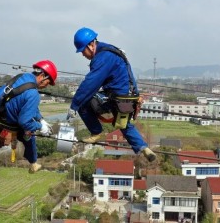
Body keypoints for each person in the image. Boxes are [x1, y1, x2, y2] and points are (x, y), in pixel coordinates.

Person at [66, 27, 156, 162]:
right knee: (122, 123)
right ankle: (144, 148)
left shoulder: (102, 58)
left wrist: (74, 105)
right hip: (130, 98)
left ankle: (96, 132)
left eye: (82, 50)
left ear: (91, 45)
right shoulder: (111, 51)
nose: (82, 54)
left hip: (116, 98)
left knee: (83, 104)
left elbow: (90, 84)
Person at [0, 60, 57, 173]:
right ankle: (33, 163)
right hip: (9, 123)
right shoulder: (33, 93)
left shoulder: (22, 77)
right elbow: (24, 122)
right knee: (29, 136)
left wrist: (40, 119)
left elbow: (27, 105)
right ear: (42, 76)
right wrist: (40, 126)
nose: (46, 86)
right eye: (47, 82)